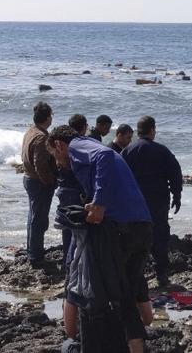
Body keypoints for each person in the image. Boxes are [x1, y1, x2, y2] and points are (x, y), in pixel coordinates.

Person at [47, 125, 154, 353]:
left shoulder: (77, 145)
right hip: (143, 225)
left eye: (55, 155)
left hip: (120, 228)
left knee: (95, 295)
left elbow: (105, 156)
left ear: (59, 144)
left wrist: (99, 202)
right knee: (126, 297)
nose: (57, 162)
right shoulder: (91, 147)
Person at [122, 116, 183, 287]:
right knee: (160, 237)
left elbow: (118, 177)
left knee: (133, 238)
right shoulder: (162, 151)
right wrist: (177, 195)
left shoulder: (127, 151)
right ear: (152, 130)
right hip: (157, 201)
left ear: (138, 131)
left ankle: (133, 274)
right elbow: (175, 174)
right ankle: (161, 275)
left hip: (134, 203)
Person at [21, 101, 57, 268]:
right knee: (39, 219)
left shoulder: (31, 131)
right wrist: (50, 181)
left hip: (29, 178)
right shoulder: (42, 136)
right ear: (47, 117)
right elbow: (40, 164)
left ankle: (33, 250)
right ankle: (36, 255)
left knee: (33, 217)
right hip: (38, 181)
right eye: (51, 115)